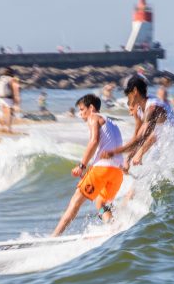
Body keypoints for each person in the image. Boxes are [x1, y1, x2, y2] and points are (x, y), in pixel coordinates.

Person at [52, 94, 124, 236]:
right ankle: (114, 227)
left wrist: (82, 166)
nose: (80, 114)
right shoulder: (112, 123)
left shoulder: (94, 117)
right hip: (117, 172)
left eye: (82, 109)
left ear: (91, 108)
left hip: (103, 168)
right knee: (101, 204)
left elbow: (94, 141)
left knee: (75, 202)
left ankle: (53, 237)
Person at [101, 76, 174, 171]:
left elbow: (143, 138)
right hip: (165, 149)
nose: (127, 98)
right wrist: (128, 159)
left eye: (128, 94)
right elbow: (139, 137)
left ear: (135, 91)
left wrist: (113, 152)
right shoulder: (142, 106)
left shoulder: (152, 108)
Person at [0, 67, 21, 132]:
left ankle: (3, 127)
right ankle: (9, 128)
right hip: (8, 98)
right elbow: (16, 92)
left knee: (1, 113)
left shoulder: (0, 79)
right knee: (9, 113)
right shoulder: (12, 80)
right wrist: (17, 104)